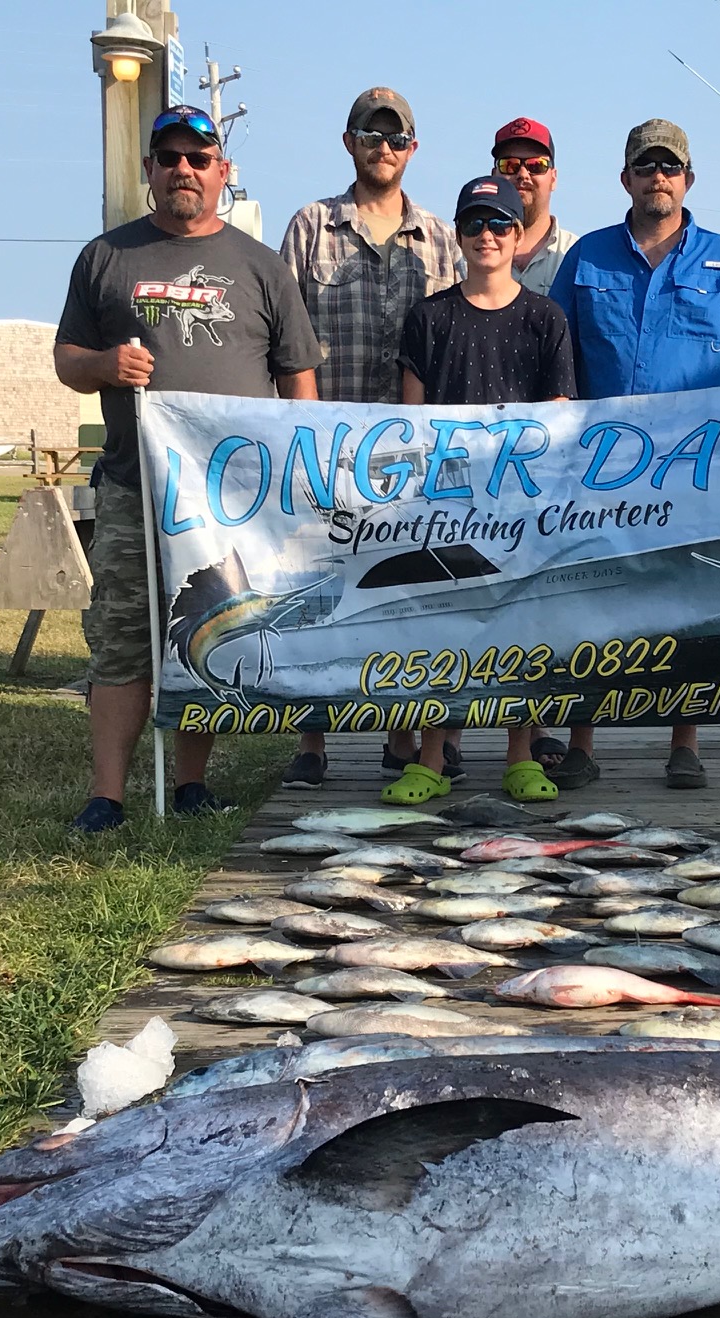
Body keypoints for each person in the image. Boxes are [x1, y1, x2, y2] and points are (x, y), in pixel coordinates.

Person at [54, 104, 321, 830]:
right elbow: (66, 360)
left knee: (211, 635)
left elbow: (298, 380)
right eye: (169, 157)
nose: (184, 170)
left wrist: (296, 474)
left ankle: (192, 784)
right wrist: (106, 364)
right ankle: (106, 795)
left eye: (199, 159)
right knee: (121, 640)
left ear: (222, 173)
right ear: (149, 170)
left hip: (230, 502)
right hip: (132, 488)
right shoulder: (105, 258)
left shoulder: (261, 266)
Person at [547, 118, 720, 792]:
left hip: (692, 469)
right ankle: (583, 741)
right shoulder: (587, 256)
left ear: (688, 179)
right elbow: (554, 358)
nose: (658, 178)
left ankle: (685, 742)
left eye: (670, 168)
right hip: (599, 468)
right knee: (592, 603)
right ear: (625, 179)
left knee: (690, 600)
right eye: (646, 167)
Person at [276, 86, 459, 791]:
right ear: (348, 142)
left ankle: (402, 732)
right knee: (315, 588)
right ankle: (312, 737)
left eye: (397, 137)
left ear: (413, 149)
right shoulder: (309, 226)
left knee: (410, 591)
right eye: (370, 135)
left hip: (414, 453)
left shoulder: (444, 236)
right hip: (324, 445)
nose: (384, 147)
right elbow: (281, 334)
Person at [386, 175, 575, 806]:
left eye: (500, 224)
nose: (487, 236)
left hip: (522, 508)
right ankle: (433, 755)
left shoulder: (547, 318)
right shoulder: (429, 317)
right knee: (446, 630)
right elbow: (408, 422)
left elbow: (558, 417)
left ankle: (520, 753)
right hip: (444, 506)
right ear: (459, 235)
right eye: (475, 225)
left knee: (521, 628)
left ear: (519, 235)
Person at [491, 117, 576, 298]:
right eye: (510, 165)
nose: (522, 174)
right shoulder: (468, 253)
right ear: (493, 176)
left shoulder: (576, 255)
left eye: (536, 165)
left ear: (553, 178)